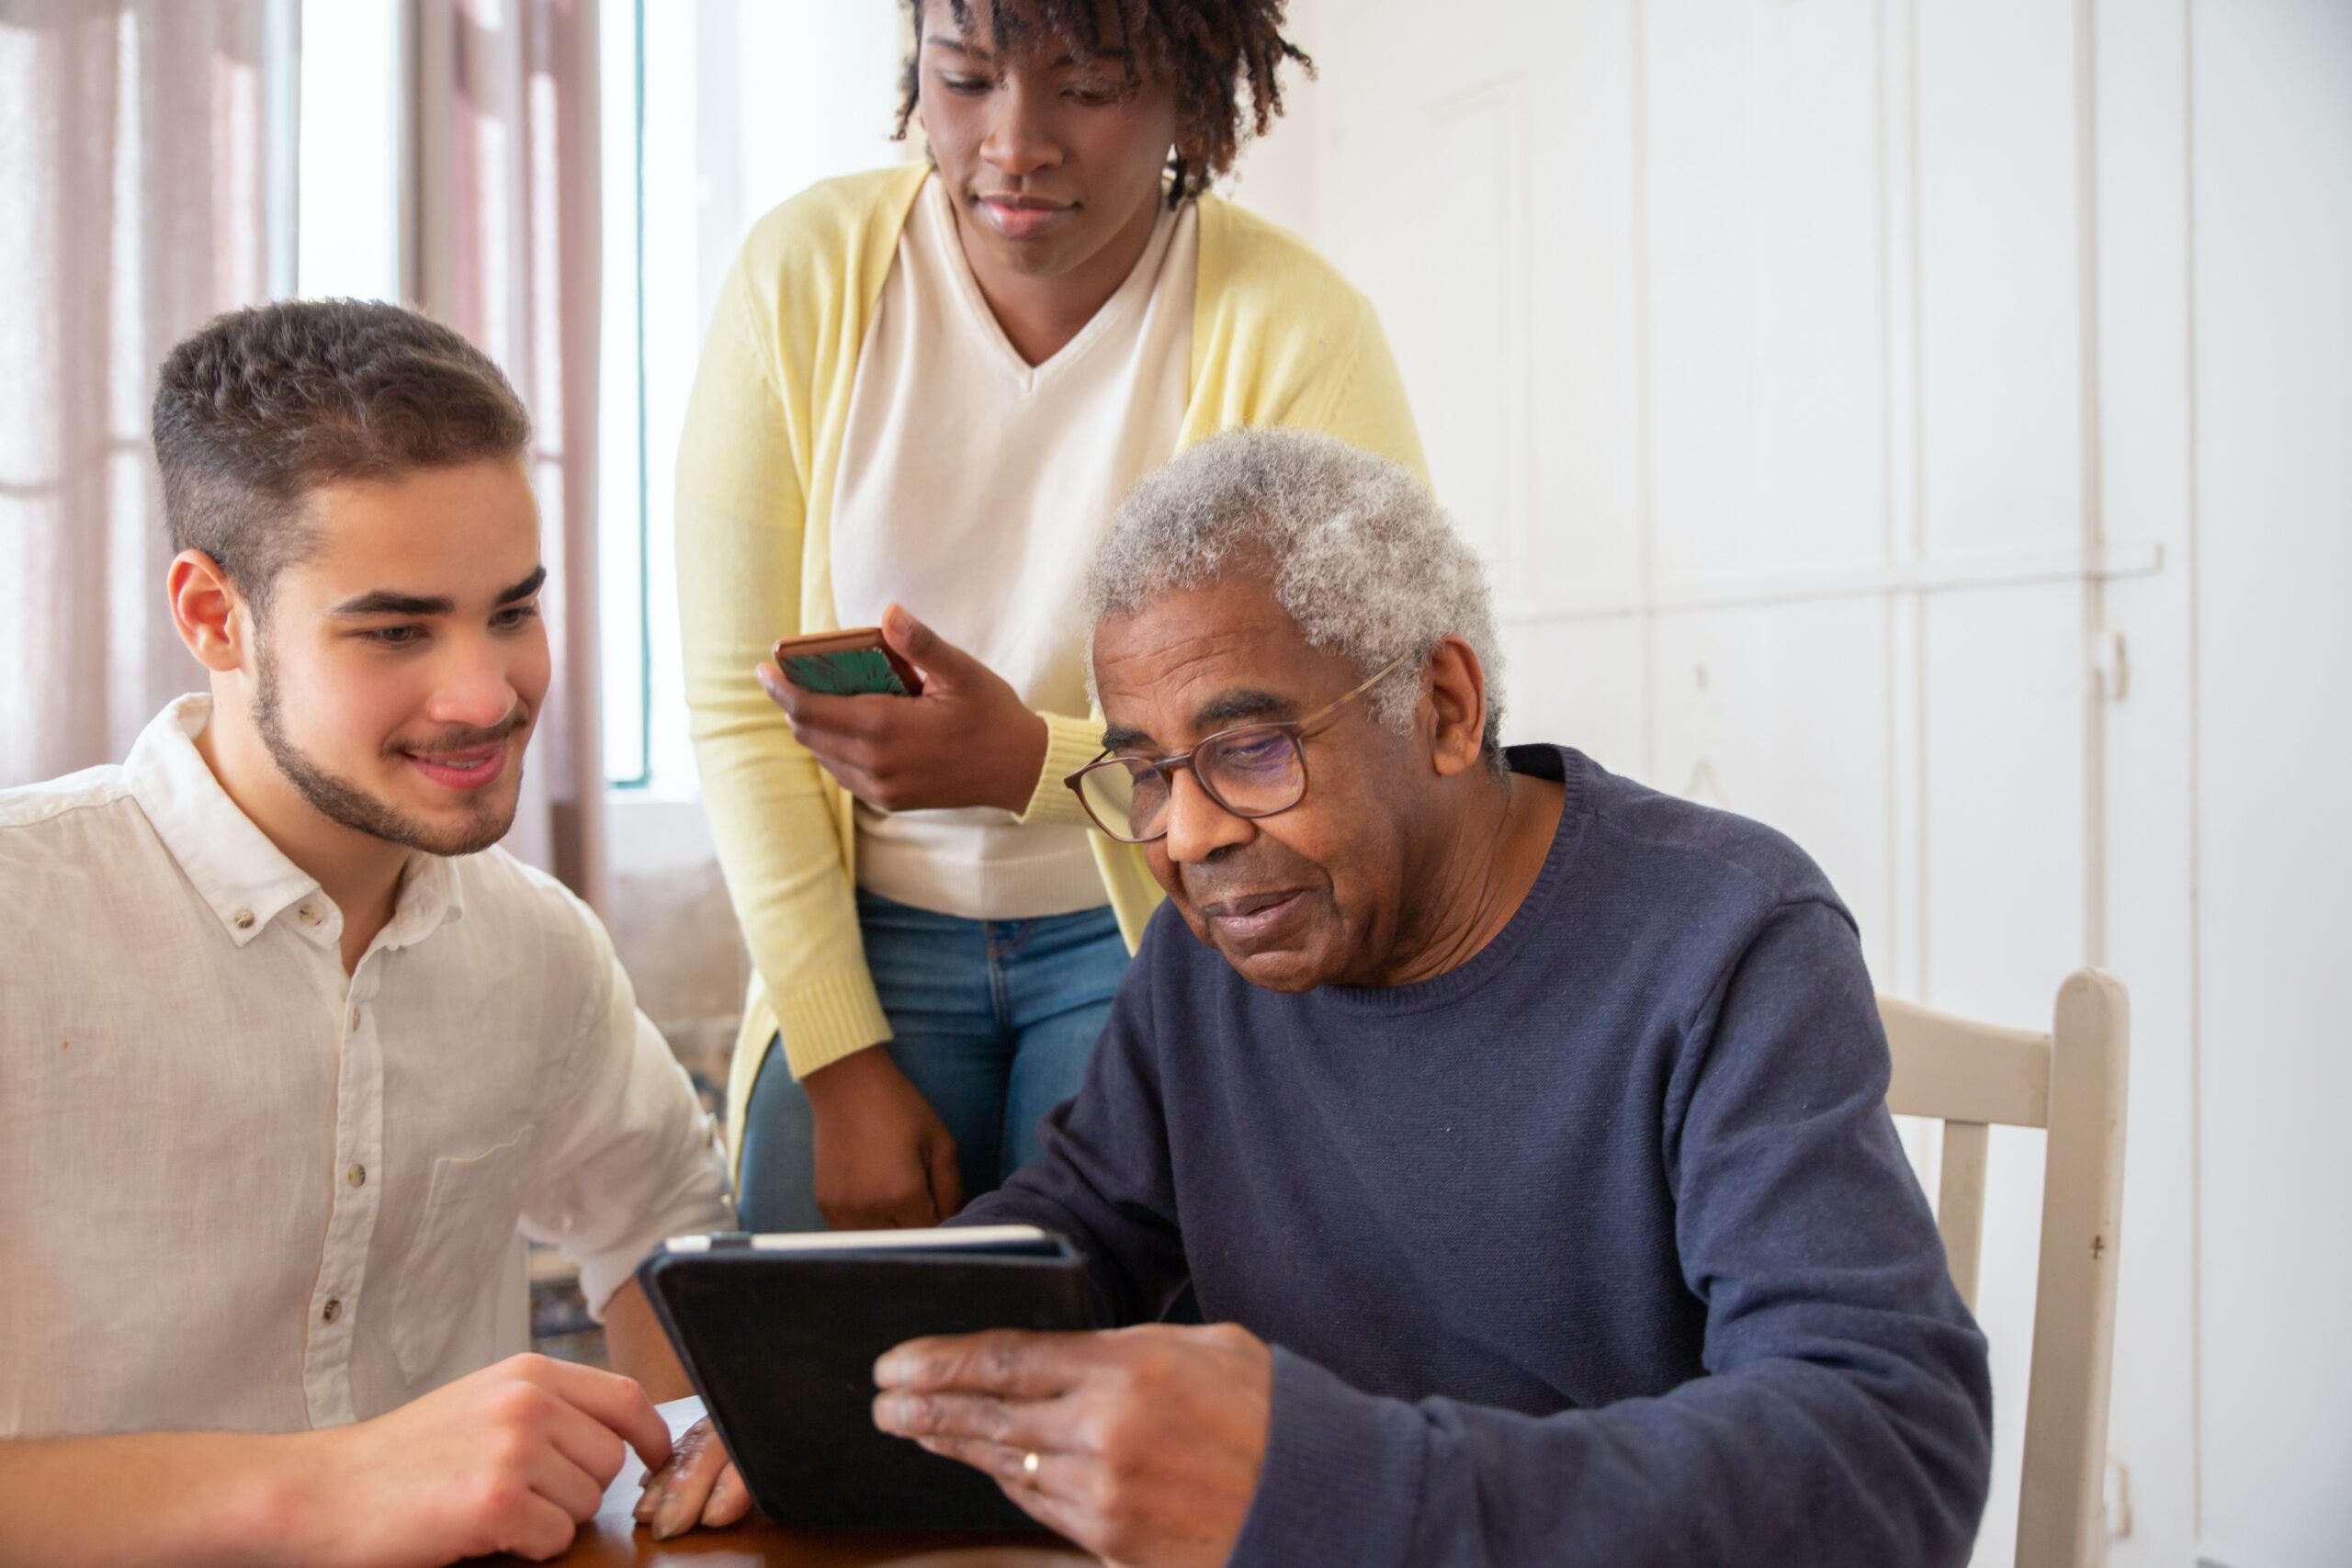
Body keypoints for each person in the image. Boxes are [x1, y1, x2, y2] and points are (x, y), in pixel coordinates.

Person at [650, 430, 1996, 1564]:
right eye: (1144, 771)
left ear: (1446, 707)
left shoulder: (1724, 939)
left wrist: (1335, 1482)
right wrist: (835, 1400)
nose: (1184, 835)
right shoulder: (1220, 944)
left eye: (1248, 749)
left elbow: (1886, 1444)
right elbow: (1079, 1231)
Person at [0, 300, 736, 1567]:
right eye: (396, 630)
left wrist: (707, 1459)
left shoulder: (538, 949)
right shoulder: (25, 924)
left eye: (513, 611)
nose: (486, 694)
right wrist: (328, 1490)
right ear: (214, 617)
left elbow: (665, 1232)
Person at [676, 0, 1424, 1234]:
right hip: (857, 930)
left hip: (1147, 928)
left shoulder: (1296, 331)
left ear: (1191, 93)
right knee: (807, 1388)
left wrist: (1033, 762)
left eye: (1087, 87)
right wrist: (840, 1060)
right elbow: (734, 701)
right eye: (964, 79)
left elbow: (1355, 730)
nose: (1013, 143)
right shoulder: (804, 278)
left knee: (1101, 1366)